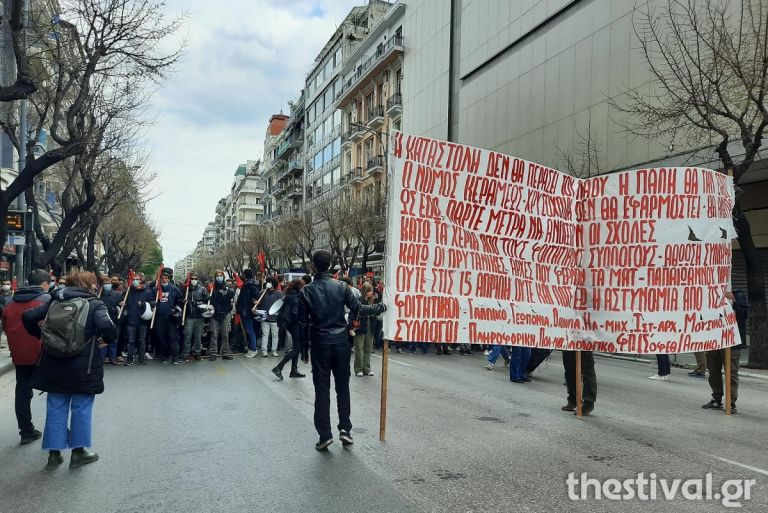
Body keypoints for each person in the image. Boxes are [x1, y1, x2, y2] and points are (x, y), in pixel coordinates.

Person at [22, 271, 117, 469]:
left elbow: (28, 316)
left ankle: (54, 454)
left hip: (53, 364)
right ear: (88, 285)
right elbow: (106, 325)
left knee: (55, 407)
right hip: (84, 367)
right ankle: (79, 452)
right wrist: (107, 339)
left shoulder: (54, 301)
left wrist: (42, 336)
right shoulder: (94, 303)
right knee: (81, 408)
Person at [298, 250, 386, 450]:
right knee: (342, 388)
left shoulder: (307, 291)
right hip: (340, 343)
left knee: (322, 390)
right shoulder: (342, 287)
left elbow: (301, 324)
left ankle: (325, 434)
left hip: (320, 343)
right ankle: (345, 429)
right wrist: (379, 308)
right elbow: (359, 307)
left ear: (313, 266)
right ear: (330, 265)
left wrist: (303, 350)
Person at [3, 269, 52, 445]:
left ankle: (26, 431)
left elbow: (5, 326)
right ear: (45, 284)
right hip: (43, 353)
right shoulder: (46, 300)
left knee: (22, 392)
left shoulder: (10, 301)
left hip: (19, 353)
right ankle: (55, 434)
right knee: (54, 393)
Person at [703, 290, 747, 414]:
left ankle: (731, 403)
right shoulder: (711, 293)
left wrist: (734, 300)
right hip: (714, 340)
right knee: (713, 371)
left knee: (731, 373)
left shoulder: (739, 295)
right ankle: (716, 398)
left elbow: (742, 315)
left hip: (732, 342)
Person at [272, 279, 307, 380]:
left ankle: (294, 371)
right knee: (297, 348)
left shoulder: (289, 294)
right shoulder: (296, 298)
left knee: (297, 346)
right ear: (300, 287)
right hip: (294, 324)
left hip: (287, 323)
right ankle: (279, 367)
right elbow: (296, 314)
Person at [121, 273, 154, 365]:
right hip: (131, 320)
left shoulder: (147, 292)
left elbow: (152, 304)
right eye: (134, 279)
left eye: (137, 279)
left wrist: (144, 304)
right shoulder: (128, 291)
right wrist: (122, 304)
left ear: (141, 280)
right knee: (130, 341)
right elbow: (122, 301)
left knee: (141, 340)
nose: (135, 281)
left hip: (142, 320)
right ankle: (130, 359)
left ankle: (141, 358)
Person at [152, 269, 183, 364]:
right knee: (161, 337)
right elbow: (150, 300)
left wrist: (181, 303)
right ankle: (164, 356)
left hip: (170, 317)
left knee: (173, 337)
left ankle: (175, 357)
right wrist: (152, 303)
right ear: (160, 279)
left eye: (166, 278)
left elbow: (179, 301)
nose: (164, 280)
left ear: (169, 279)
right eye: (162, 278)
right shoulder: (155, 290)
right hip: (159, 317)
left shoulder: (174, 289)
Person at [180, 272, 209, 362]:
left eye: (195, 278)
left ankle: (197, 353)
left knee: (198, 336)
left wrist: (198, 303)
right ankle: (185, 353)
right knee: (187, 335)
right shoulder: (185, 289)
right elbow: (179, 299)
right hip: (189, 316)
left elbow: (207, 301)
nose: (194, 280)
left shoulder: (202, 289)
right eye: (192, 278)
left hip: (199, 316)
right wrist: (182, 301)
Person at [352, 283, 377, 377]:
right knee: (359, 348)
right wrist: (351, 327)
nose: (372, 292)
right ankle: (358, 369)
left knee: (368, 348)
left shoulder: (372, 300)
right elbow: (353, 313)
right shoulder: (358, 300)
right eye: (370, 291)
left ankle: (367, 368)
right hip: (360, 326)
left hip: (370, 326)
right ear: (366, 291)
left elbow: (376, 311)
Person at [209, 270, 235, 361]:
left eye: (221, 275)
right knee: (214, 334)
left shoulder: (227, 288)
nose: (219, 277)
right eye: (217, 275)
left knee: (225, 334)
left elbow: (230, 295)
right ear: (215, 277)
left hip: (225, 313)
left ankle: (225, 352)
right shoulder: (211, 288)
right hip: (214, 314)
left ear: (223, 277)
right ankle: (213, 352)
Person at [562, 350, 597, 415]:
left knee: (587, 371)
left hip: (584, 342)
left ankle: (588, 403)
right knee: (569, 368)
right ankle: (573, 399)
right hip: (569, 342)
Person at [236, 268, 261, 358]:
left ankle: (253, 349)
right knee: (250, 330)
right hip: (247, 310)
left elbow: (256, 296)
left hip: (247, 311)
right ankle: (252, 347)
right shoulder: (250, 284)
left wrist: (253, 301)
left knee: (250, 330)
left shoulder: (249, 285)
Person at [99, 275, 123, 365]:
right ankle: (102, 359)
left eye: (108, 283)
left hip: (114, 321)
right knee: (102, 340)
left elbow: (121, 305)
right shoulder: (98, 295)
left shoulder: (117, 295)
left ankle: (112, 358)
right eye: (105, 283)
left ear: (111, 284)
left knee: (113, 340)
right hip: (102, 321)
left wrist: (122, 304)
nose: (107, 285)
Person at [256, 276, 282, 357]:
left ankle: (274, 350)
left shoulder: (279, 294)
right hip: (265, 318)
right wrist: (256, 303)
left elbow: (281, 305)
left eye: (269, 282)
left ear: (273, 284)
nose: (268, 283)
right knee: (265, 334)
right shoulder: (262, 292)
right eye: (267, 281)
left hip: (275, 319)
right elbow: (257, 303)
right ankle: (264, 350)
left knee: (275, 335)